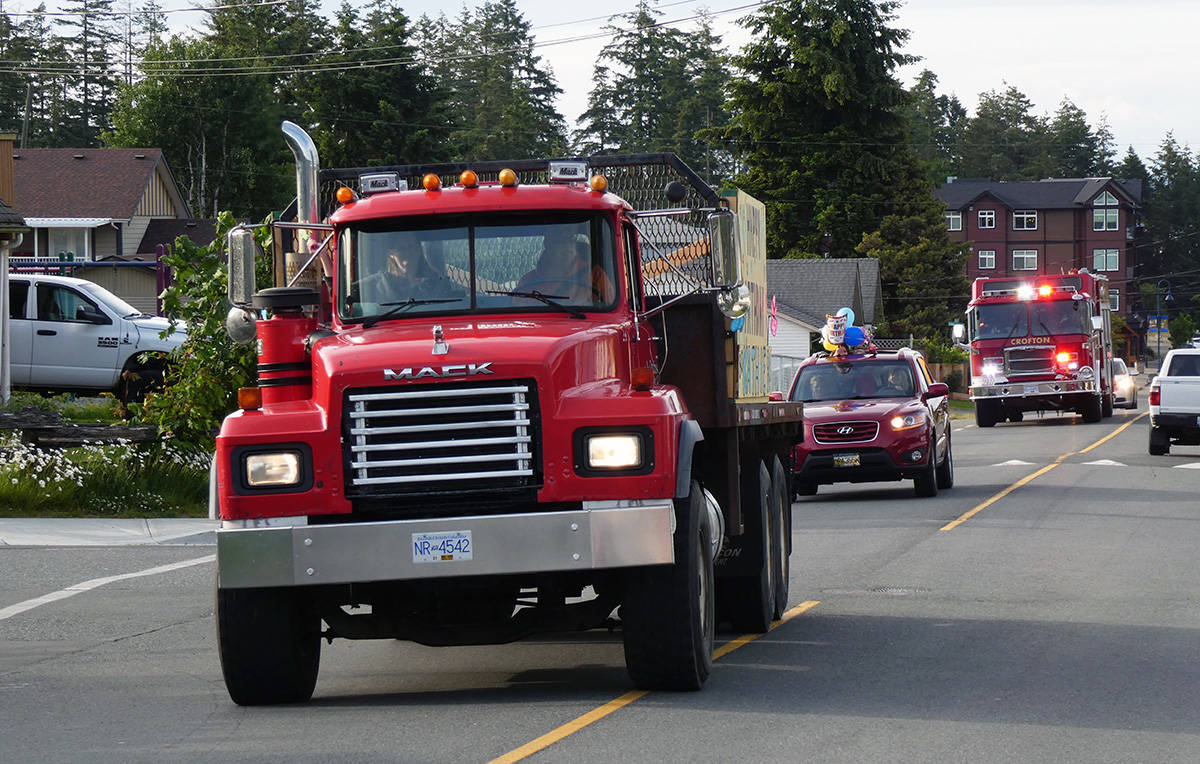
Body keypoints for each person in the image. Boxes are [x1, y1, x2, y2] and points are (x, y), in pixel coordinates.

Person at [516, 229, 614, 303]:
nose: (568, 246)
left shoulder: (595, 276)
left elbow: (612, 312)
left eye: (571, 240)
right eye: (561, 241)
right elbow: (519, 316)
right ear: (549, 246)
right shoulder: (528, 281)